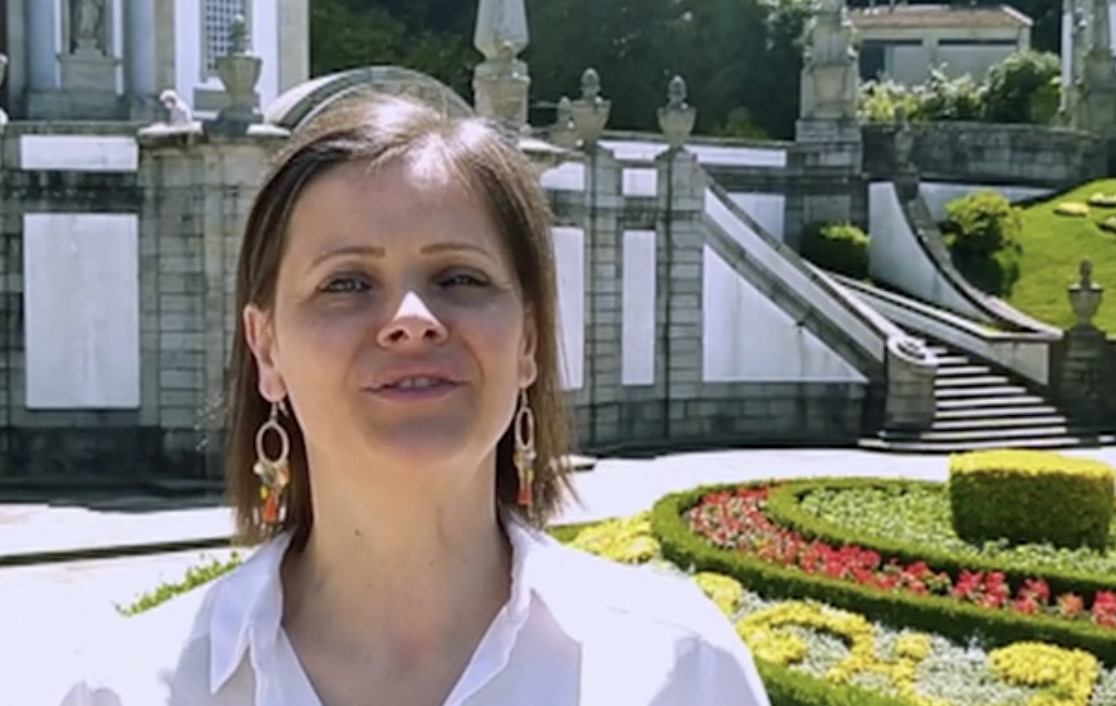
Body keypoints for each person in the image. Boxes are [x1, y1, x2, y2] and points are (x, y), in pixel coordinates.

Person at [55, 95, 771, 705]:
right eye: (345, 283)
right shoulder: (129, 689)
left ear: (528, 340)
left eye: (460, 278)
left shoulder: (681, 670)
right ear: (266, 349)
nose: (411, 318)